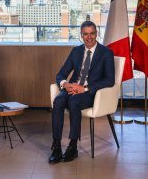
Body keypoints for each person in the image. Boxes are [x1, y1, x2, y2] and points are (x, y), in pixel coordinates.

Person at [49, 21, 115, 163]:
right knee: (58, 101)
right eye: (86, 34)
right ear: (81, 35)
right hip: (72, 87)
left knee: (74, 101)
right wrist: (65, 84)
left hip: (90, 92)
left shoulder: (106, 53)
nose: (89, 37)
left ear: (96, 34)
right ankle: (56, 147)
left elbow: (110, 80)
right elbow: (60, 74)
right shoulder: (76, 51)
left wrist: (84, 88)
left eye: (92, 33)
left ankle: (73, 147)